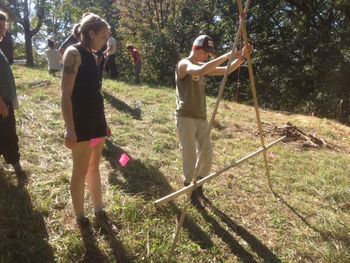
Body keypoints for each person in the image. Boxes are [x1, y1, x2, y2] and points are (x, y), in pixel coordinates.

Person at [175, 34, 252, 206]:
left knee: (207, 154)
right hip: (185, 116)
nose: (207, 56)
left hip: (201, 117)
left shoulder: (202, 64)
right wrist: (226, 56)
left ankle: (199, 185)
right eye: (205, 52)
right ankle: (189, 188)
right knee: (188, 154)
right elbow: (199, 71)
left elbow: (226, 70)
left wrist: (242, 58)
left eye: (209, 54)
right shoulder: (184, 64)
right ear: (195, 48)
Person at [60, 13, 111, 228]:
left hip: (96, 124)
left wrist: (104, 122)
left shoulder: (93, 55)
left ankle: (99, 208)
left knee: (94, 166)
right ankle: (81, 217)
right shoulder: (74, 53)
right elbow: (65, 94)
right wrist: (70, 128)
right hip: (80, 124)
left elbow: (95, 92)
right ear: (91, 33)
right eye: (103, 37)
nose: (105, 41)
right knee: (79, 171)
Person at [0, 11, 25, 177]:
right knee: (7, 134)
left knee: (8, 132)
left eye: (3, 28)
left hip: (5, 100)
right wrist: (1, 102)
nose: (2, 31)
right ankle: (17, 167)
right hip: (1, 103)